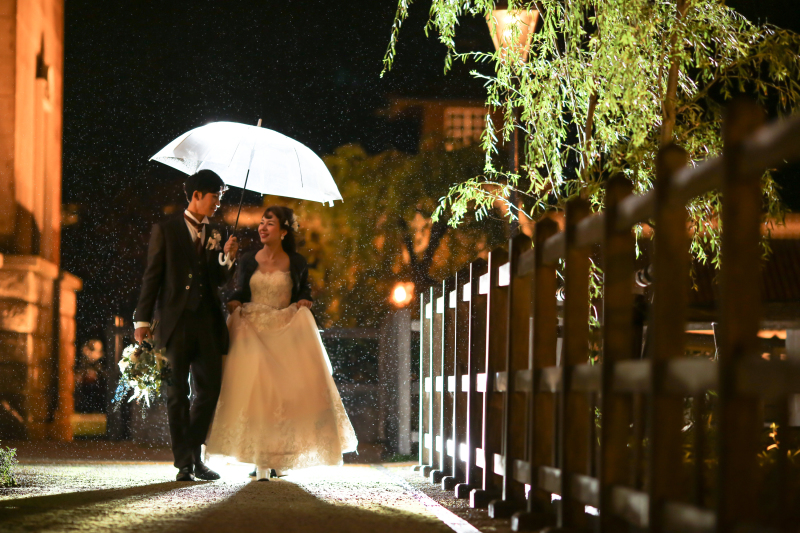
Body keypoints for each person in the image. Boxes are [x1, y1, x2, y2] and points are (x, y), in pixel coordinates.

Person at [205, 206, 357, 480]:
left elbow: (303, 290)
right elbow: (239, 290)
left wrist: (304, 300)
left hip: (284, 330)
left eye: (270, 224)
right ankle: (258, 460)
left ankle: (278, 456)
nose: (262, 227)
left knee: (284, 396)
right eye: (261, 223)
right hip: (253, 330)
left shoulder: (296, 262)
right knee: (257, 393)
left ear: (284, 231)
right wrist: (235, 301)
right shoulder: (249, 259)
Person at [133, 169, 239, 482]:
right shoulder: (165, 229)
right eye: (214, 197)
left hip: (207, 322)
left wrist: (227, 260)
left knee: (209, 391)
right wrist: (141, 319)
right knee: (176, 394)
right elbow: (152, 276)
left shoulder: (217, 233)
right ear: (196, 196)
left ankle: (194, 454)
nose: (218, 203)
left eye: (219, 197)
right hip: (174, 323)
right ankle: (185, 464)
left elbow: (217, 280)